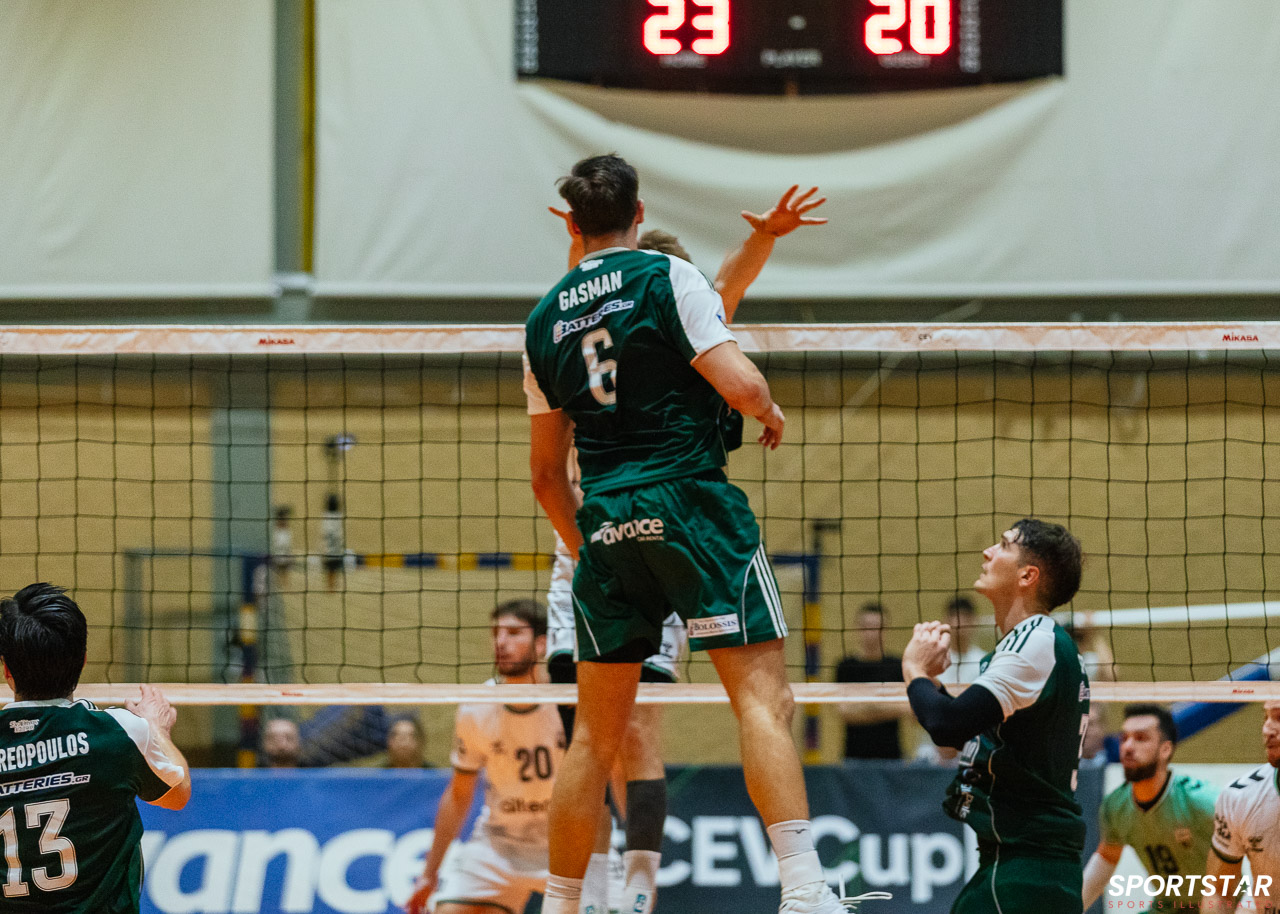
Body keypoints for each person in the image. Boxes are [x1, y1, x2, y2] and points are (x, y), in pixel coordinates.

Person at [526, 154, 855, 914]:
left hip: (602, 521)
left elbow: (544, 477)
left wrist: (591, 549)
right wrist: (766, 408)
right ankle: (805, 888)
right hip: (689, 504)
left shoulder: (543, 319)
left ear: (574, 224)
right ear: (639, 213)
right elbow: (741, 379)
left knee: (592, 739)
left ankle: (566, 903)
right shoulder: (668, 281)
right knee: (763, 702)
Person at [903, 519, 1087, 914]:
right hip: (1021, 864)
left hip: (1027, 869)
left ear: (1027, 575)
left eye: (1003, 545)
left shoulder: (1035, 641)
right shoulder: (1030, 644)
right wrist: (930, 682)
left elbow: (946, 726)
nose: (987, 551)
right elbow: (961, 728)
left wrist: (914, 669)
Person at [0, 582, 191, 913]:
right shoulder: (118, 733)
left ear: (6, 670)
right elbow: (178, 794)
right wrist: (157, 729)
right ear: (83, 660)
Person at [405, 600, 564, 914]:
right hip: (498, 845)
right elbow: (459, 794)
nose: (501, 642)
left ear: (541, 644)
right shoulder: (476, 706)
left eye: (514, 633)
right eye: (496, 633)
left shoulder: (569, 700)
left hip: (568, 844)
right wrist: (429, 873)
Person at [1082, 704, 1216, 911]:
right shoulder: (1115, 805)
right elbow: (1107, 858)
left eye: (1141, 738)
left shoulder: (1201, 800)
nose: (1128, 747)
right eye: (1124, 738)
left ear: (1165, 749)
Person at [1201, 699, 1280, 913]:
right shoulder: (1239, 796)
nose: (1267, 729)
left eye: (1279, 718)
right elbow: (1219, 892)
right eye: (1265, 717)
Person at [834, 602, 906, 760]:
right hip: (853, 757)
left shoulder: (897, 665)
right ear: (857, 628)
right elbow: (845, 711)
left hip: (892, 757)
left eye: (877, 627)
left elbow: (906, 708)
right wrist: (886, 705)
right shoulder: (846, 666)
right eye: (866, 627)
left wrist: (862, 706)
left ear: (885, 629)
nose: (872, 633)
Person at [938, 596, 985, 685]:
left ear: (974, 621)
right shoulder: (935, 661)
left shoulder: (983, 661)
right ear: (946, 620)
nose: (960, 622)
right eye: (955, 616)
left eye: (966, 617)